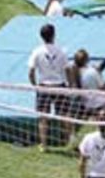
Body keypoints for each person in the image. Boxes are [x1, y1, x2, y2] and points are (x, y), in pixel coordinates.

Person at [28, 23, 72, 151]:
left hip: (44, 87)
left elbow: (31, 71)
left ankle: (44, 144)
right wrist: (69, 85)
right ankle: (70, 140)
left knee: (43, 118)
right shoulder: (61, 51)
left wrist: (35, 85)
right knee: (65, 115)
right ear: (54, 35)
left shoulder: (37, 51)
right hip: (59, 86)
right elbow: (68, 69)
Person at [69, 49, 105, 120]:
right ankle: (101, 115)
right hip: (99, 101)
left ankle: (100, 117)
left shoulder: (76, 73)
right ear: (87, 59)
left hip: (87, 103)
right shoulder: (92, 71)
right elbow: (103, 86)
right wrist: (99, 74)